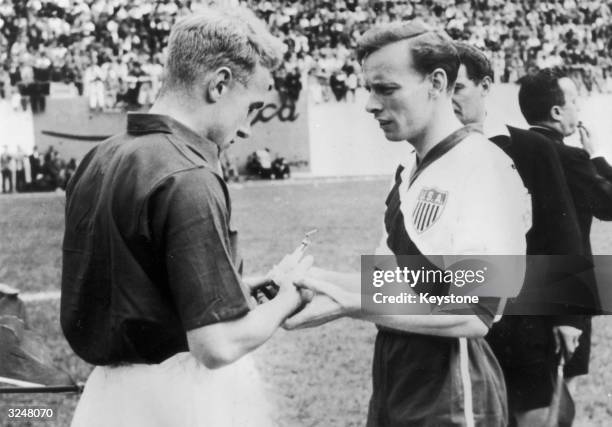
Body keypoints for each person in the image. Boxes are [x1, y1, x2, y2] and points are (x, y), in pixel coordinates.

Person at [61, 8, 310, 427]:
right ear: (220, 84)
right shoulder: (188, 173)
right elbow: (216, 345)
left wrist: (234, 288)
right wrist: (290, 298)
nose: (248, 129)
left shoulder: (100, 156)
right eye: (251, 108)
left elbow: (135, 284)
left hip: (106, 399)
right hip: (180, 399)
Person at [286, 22, 531, 426]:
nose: (369, 104)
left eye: (385, 89)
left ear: (436, 83)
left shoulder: (484, 167)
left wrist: (351, 306)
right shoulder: (407, 168)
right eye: (368, 88)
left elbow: (475, 312)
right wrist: (312, 280)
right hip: (396, 378)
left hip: (452, 389)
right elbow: (392, 283)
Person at [452, 43, 589, 427]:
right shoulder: (430, 157)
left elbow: (562, 234)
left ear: (485, 86)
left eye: (459, 88)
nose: (449, 100)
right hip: (459, 319)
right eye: (440, 88)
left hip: (525, 318)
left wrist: (569, 317)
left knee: (530, 417)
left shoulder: (531, 148)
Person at [515, 67, 612, 422]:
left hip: (517, 287)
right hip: (568, 289)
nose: (578, 107)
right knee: (559, 389)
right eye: (574, 100)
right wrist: (597, 155)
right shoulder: (569, 158)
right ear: (556, 112)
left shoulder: (513, 149)